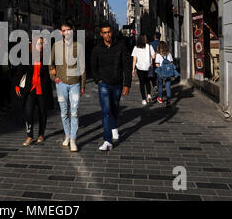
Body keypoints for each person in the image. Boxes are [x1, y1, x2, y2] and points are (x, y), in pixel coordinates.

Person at [91, 23, 132, 151]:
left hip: (117, 83)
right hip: (103, 83)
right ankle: (107, 140)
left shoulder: (121, 46)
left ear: (112, 32)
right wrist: (98, 79)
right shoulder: (97, 48)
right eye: (105, 32)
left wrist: (127, 85)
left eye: (109, 32)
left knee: (114, 108)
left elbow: (127, 66)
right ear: (101, 34)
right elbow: (93, 66)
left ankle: (114, 127)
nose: (107, 34)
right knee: (106, 111)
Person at [50, 20, 86, 152]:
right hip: (61, 85)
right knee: (64, 112)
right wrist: (54, 77)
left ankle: (73, 139)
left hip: (75, 83)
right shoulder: (56, 46)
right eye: (64, 30)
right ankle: (67, 135)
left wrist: (83, 84)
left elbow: (82, 66)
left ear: (72, 31)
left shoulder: (78, 46)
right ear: (61, 32)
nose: (66, 32)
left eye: (68, 30)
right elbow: (50, 63)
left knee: (75, 112)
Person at [15, 37, 54, 146]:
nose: (40, 46)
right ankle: (30, 136)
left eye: (41, 43)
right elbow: (20, 71)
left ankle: (41, 134)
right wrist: (17, 86)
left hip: (43, 90)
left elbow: (53, 70)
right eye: (37, 44)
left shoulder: (47, 57)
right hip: (30, 90)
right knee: (28, 112)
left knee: (42, 113)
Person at [132, 34, 155, 105]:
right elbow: (153, 57)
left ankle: (143, 99)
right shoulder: (149, 46)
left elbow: (134, 59)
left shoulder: (136, 47)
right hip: (148, 67)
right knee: (148, 82)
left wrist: (133, 69)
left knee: (142, 83)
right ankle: (148, 95)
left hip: (140, 68)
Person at [155, 41, 178, 107]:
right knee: (168, 86)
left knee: (160, 85)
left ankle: (160, 98)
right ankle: (168, 101)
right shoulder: (169, 54)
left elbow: (157, 65)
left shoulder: (158, 55)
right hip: (168, 72)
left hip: (161, 72)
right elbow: (171, 63)